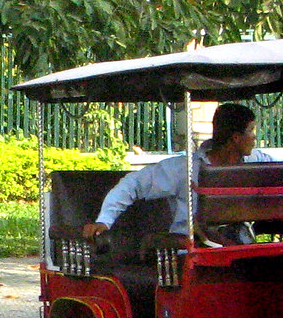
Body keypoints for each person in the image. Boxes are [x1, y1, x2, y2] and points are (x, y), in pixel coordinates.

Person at [81, 103, 261, 247]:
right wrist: (104, 221)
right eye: (251, 130)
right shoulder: (184, 168)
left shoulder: (258, 162)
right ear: (236, 138)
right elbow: (132, 184)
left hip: (242, 250)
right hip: (193, 252)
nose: (255, 137)